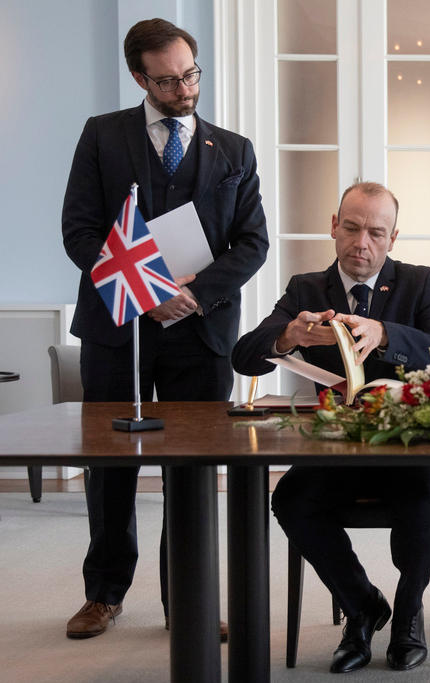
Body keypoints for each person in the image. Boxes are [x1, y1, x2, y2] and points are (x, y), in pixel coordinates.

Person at [61, 18, 268, 640]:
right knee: (111, 466)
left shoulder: (233, 150)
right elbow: (80, 230)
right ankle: (103, 594)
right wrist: (147, 294)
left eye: (190, 74)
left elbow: (253, 243)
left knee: (193, 468)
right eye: (169, 80)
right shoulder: (102, 136)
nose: (185, 89)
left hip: (200, 333)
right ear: (139, 77)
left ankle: (189, 599)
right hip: (118, 324)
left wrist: (193, 296)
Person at [232, 182, 430, 673]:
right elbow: (243, 357)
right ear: (334, 227)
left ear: (393, 238)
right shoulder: (305, 289)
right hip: (336, 447)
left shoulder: (420, 283)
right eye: (353, 228)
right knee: (292, 500)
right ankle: (363, 605)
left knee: (425, 496)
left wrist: (385, 333)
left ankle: (407, 616)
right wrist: (285, 336)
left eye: (376, 233)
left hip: (408, 445)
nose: (363, 244)